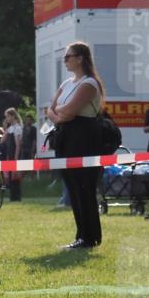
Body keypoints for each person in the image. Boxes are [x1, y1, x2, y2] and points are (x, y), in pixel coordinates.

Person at [47, 41, 105, 249]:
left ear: (80, 58)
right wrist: (61, 114)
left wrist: (61, 112)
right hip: (66, 136)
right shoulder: (67, 83)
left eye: (68, 57)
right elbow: (51, 110)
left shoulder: (89, 84)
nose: (65, 61)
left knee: (84, 188)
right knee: (72, 188)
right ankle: (81, 235)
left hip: (84, 138)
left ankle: (90, 237)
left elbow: (69, 112)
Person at [2, 108, 24, 201]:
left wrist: (16, 158)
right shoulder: (10, 128)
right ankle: (13, 196)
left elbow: (17, 145)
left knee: (15, 177)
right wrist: (5, 128)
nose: (6, 118)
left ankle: (16, 197)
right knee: (10, 176)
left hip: (15, 155)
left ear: (13, 116)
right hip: (9, 154)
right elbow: (3, 140)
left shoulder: (17, 128)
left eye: (7, 116)